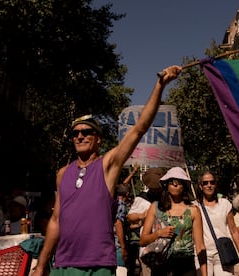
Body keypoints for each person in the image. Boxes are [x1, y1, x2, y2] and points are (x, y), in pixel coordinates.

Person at [31, 65, 182, 276]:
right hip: (63, 265)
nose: (80, 136)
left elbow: (139, 128)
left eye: (86, 131)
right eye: (75, 133)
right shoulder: (62, 174)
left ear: (98, 138)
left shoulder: (107, 165)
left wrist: (160, 85)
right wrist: (40, 265)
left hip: (98, 265)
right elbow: (56, 221)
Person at [139, 167, 207, 276]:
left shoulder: (193, 210)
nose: (175, 185)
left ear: (184, 185)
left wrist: (204, 274)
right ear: (166, 185)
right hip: (161, 264)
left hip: (186, 265)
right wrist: (159, 233)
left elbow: (200, 245)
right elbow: (143, 240)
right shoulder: (155, 207)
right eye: (171, 182)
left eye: (179, 182)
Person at [195, 171, 239, 276]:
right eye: (205, 183)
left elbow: (233, 230)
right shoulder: (195, 206)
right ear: (200, 186)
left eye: (212, 182)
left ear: (216, 184)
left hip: (223, 253)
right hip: (203, 255)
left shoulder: (225, 204)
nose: (209, 185)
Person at [126, 167, 165, 276]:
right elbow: (130, 217)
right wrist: (142, 215)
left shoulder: (167, 197)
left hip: (167, 248)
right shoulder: (142, 198)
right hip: (148, 248)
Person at [114, 165, 138, 276]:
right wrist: (123, 247)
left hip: (109, 245)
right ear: (127, 195)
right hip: (118, 246)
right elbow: (118, 224)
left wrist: (132, 173)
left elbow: (123, 185)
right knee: (120, 272)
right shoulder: (121, 206)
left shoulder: (112, 201)